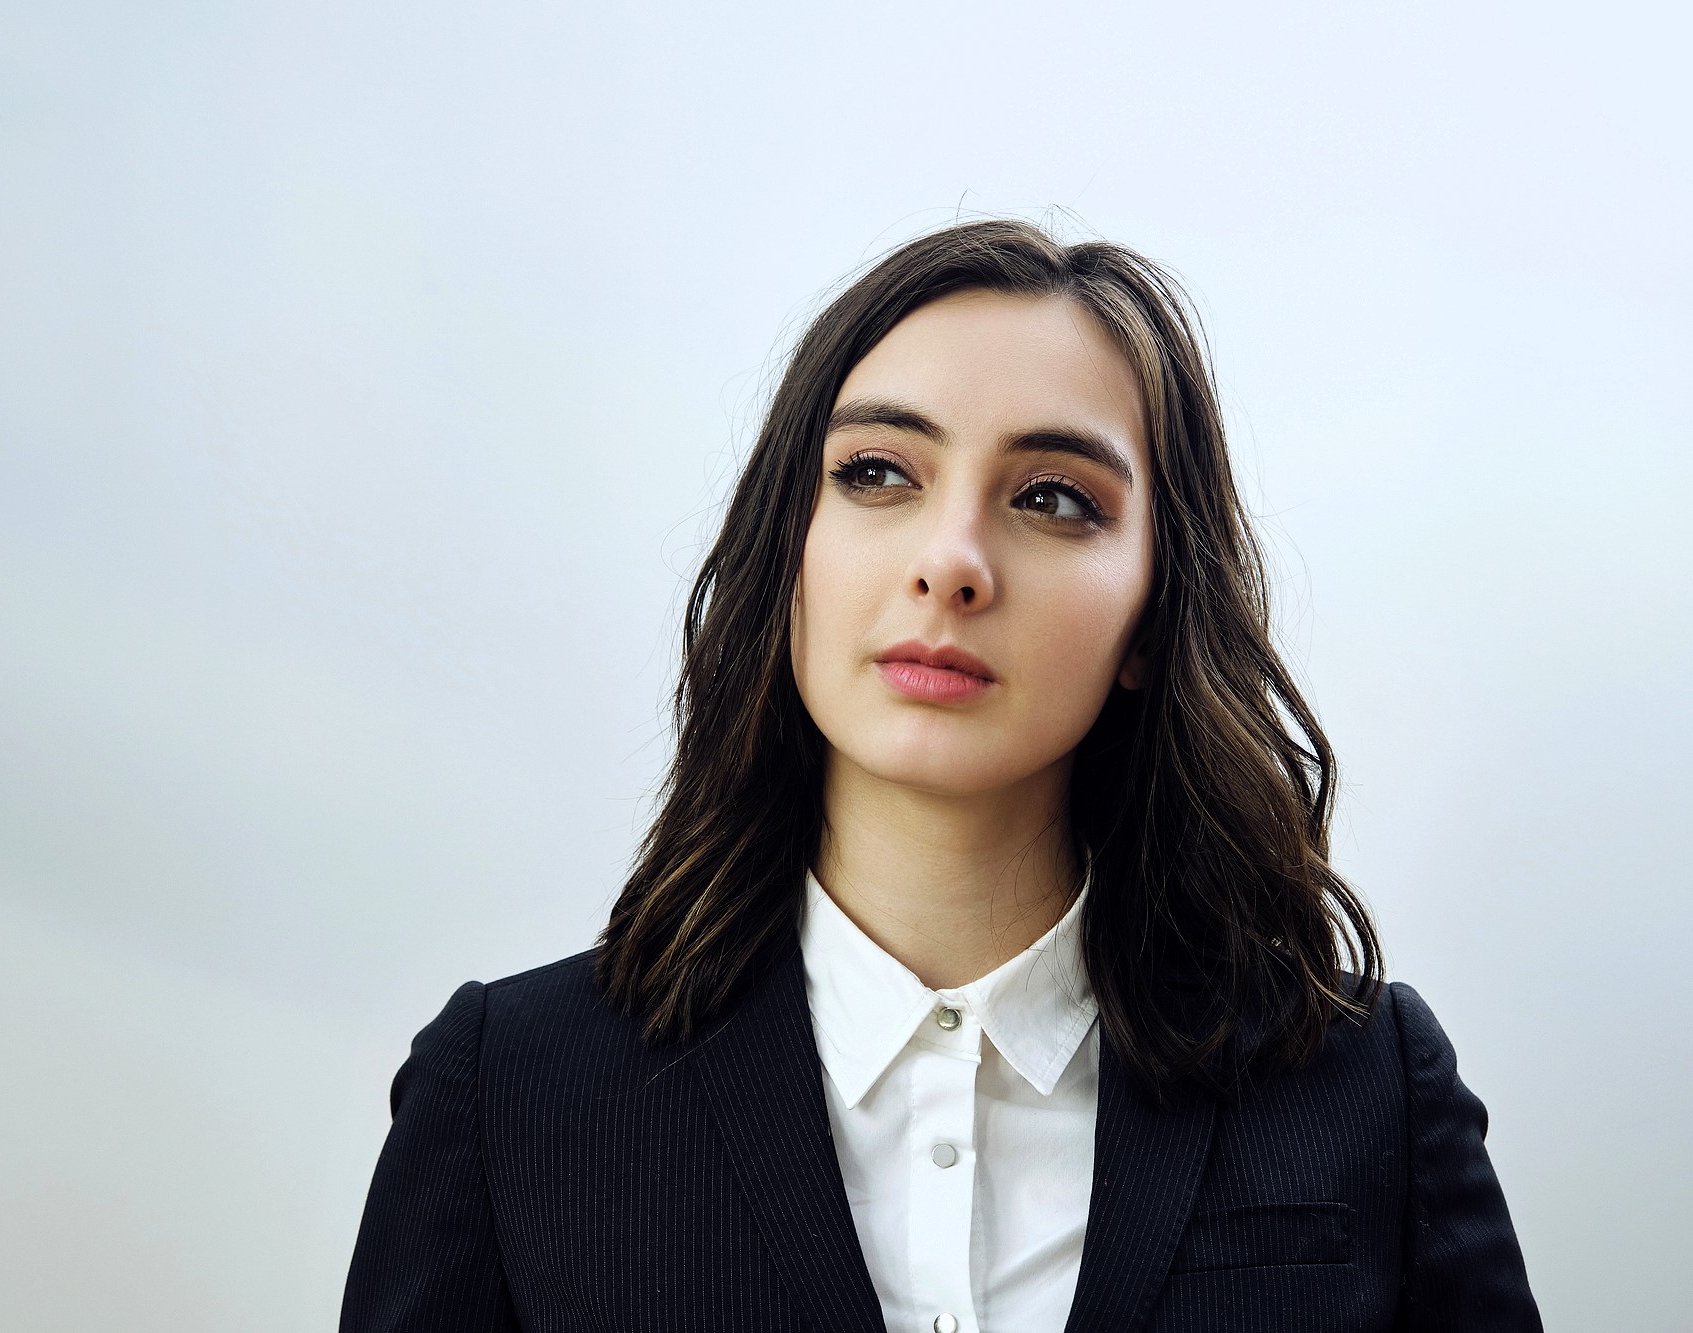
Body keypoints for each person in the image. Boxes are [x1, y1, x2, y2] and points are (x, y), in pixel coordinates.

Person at [339, 219, 1541, 1331]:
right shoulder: (510, 1094)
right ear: (788, 550)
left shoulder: (1359, 1082)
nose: (950, 562)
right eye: (876, 473)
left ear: (1149, 614)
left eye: (1052, 499)